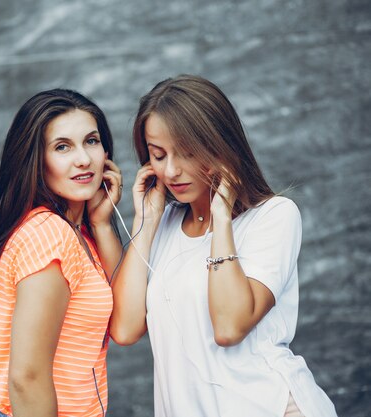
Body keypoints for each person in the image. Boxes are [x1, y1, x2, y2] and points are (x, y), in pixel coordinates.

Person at [110, 75, 337, 417]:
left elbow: (229, 327)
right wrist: (147, 221)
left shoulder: (274, 217)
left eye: (187, 152)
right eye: (158, 155)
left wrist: (220, 217)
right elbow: (126, 329)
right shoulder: (165, 223)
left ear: (220, 145)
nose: (171, 170)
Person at [0, 88, 123, 417]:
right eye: (62, 146)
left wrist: (103, 224)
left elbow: (127, 322)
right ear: (36, 160)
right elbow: (27, 378)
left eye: (91, 141)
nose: (84, 159)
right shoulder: (49, 235)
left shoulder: (80, 234)